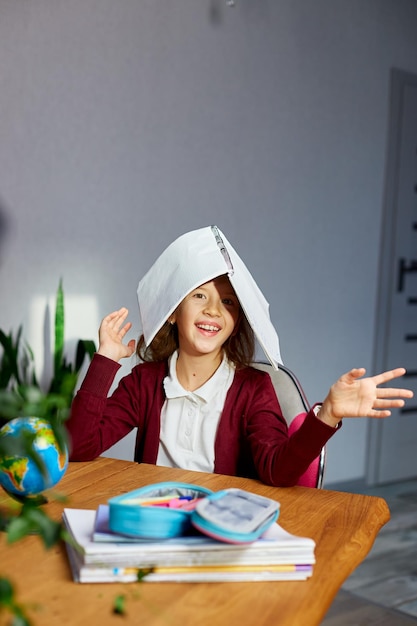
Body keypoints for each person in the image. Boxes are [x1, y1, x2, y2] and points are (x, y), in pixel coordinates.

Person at [67, 226, 413, 487]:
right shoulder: (144, 383)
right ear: (172, 312)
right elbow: (79, 446)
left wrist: (329, 413)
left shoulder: (254, 388)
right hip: (155, 523)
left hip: (219, 534)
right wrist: (106, 361)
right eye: (199, 296)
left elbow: (279, 471)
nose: (214, 310)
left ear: (236, 321)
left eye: (228, 302)